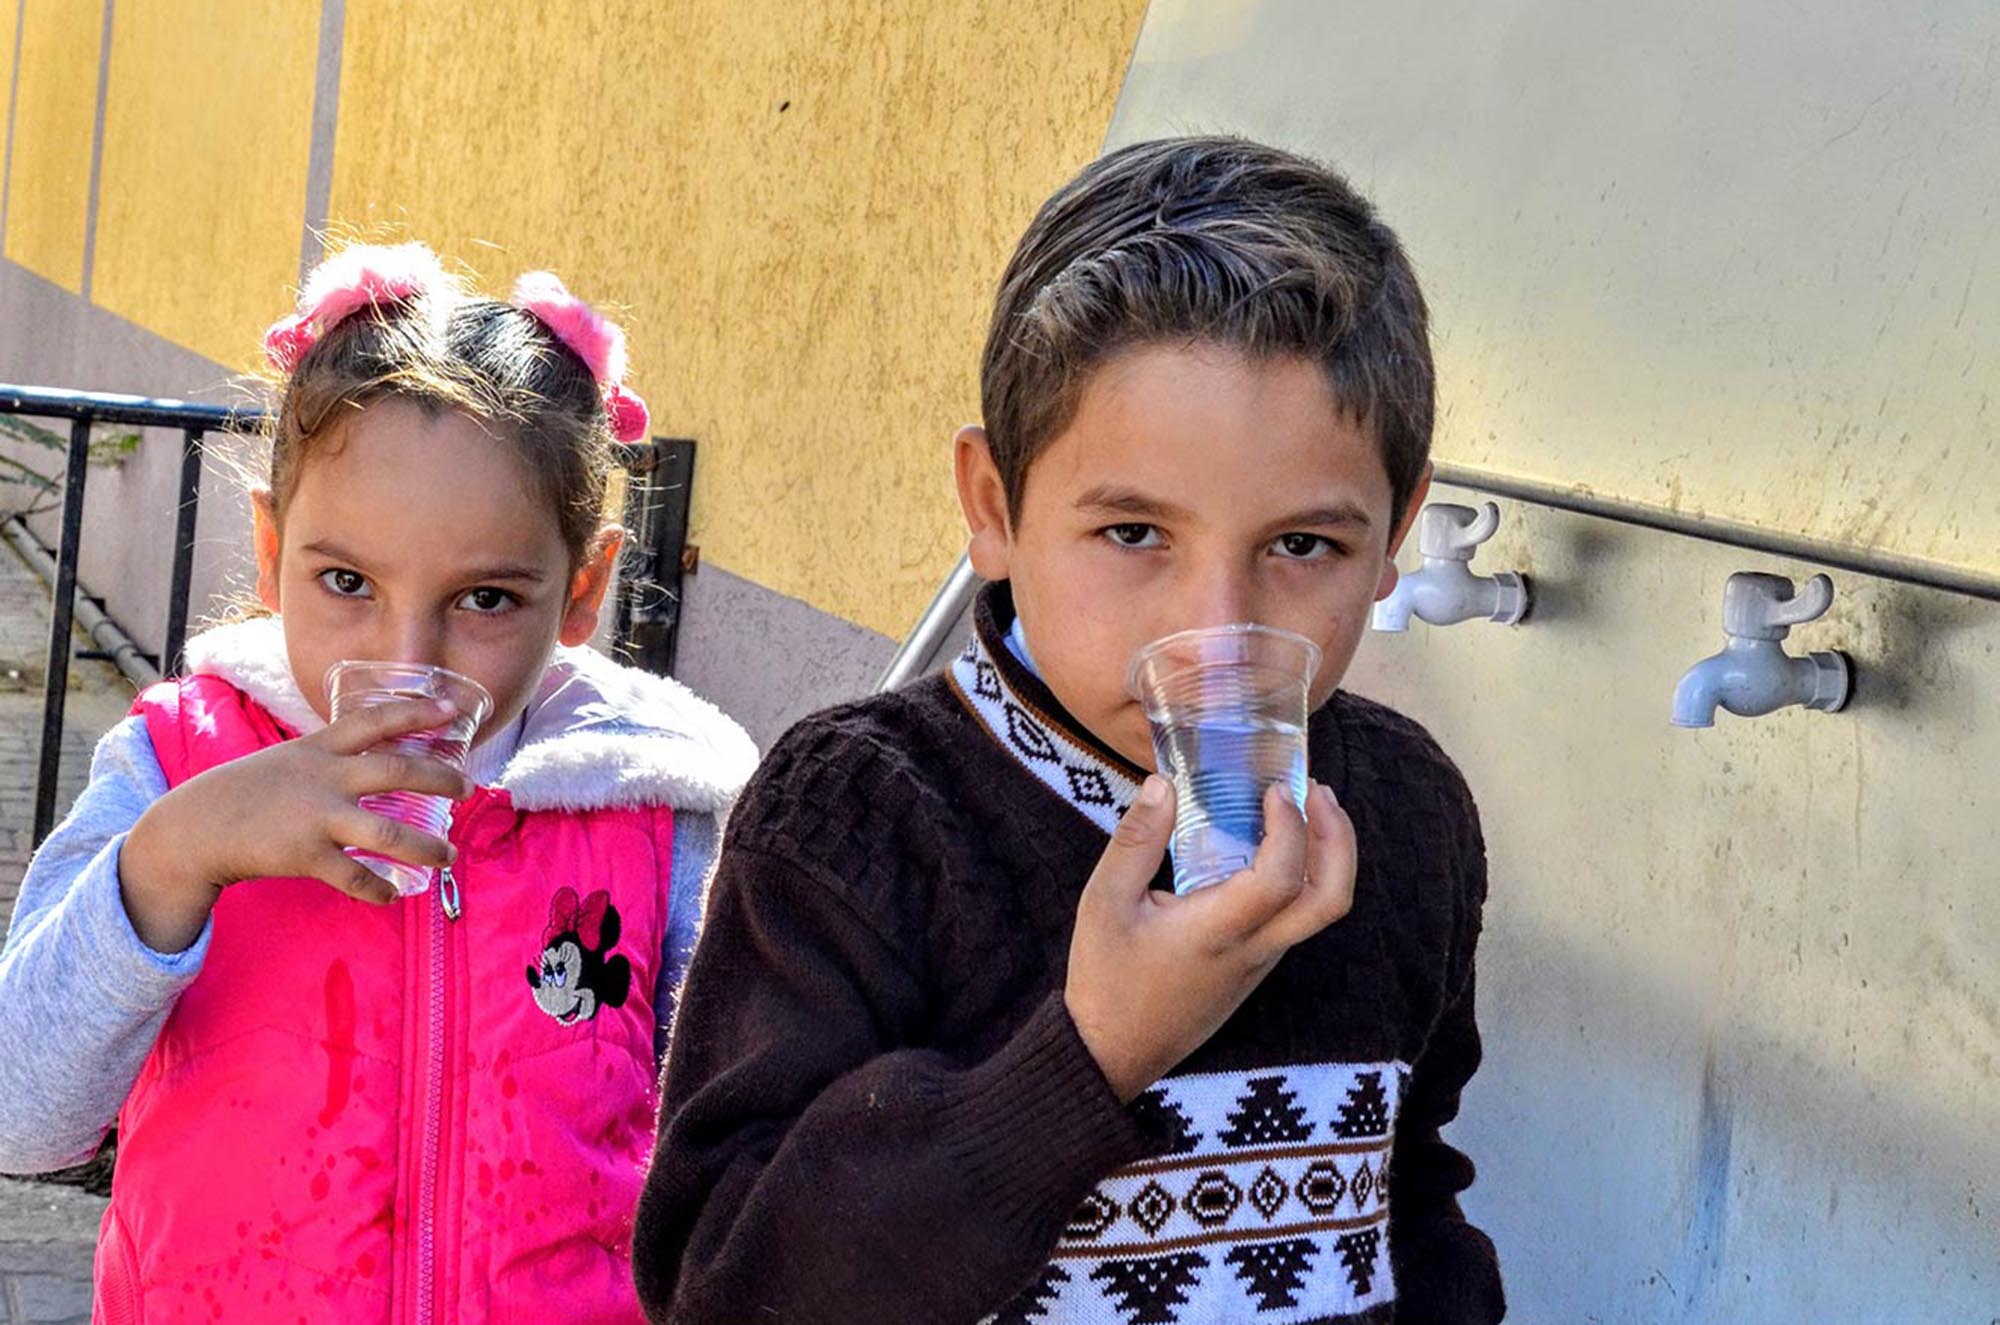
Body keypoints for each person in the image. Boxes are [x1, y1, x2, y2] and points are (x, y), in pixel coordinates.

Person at [633, 136, 1505, 1324]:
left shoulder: (1404, 810)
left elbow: (1408, 1192)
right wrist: (1090, 1053)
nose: (1215, 629)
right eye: (1135, 532)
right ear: (995, 507)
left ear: (1394, 526)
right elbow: (731, 1286)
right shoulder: (859, 820)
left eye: (1301, 545)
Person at [0, 241, 757, 1322]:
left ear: (583, 587)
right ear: (269, 551)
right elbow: (22, 1119)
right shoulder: (176, 762)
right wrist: (172, 856)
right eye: (346, 580)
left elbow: (733, 1155)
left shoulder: (649, 808)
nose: (414, 656)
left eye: (486, 597)